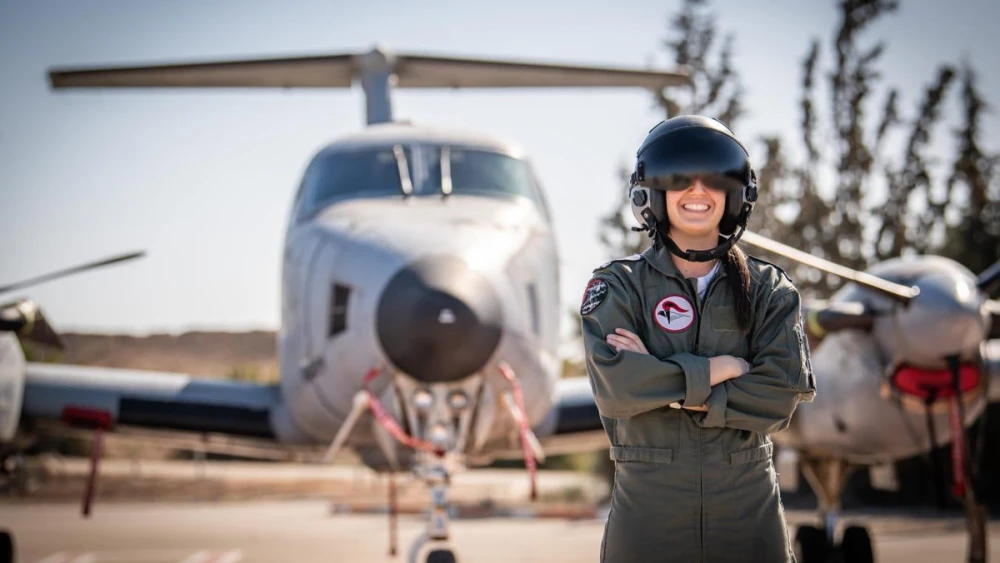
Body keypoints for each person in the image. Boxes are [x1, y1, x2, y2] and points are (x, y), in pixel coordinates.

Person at [580, 115, 816, 563]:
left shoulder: (770, 291)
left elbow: (778, 397)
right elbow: (619, 389)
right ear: (651, 192)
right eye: (679, 177)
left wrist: (664, 379)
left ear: (736, 194)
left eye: (714, 178)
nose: (697, 191)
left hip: (749, 519)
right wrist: (719, 371)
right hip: (648, 522)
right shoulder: (618, 287)